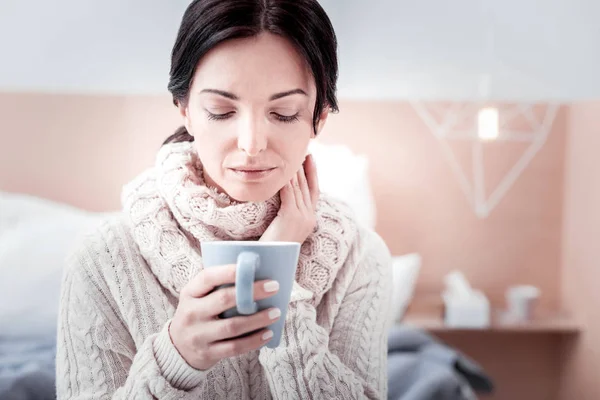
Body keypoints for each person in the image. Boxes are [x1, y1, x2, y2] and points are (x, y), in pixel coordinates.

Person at [56, 0, 393, 398]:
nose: (251, 145)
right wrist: (175, 359)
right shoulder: (102, 260)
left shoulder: (359, 256)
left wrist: (279, 282)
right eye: (220, 110)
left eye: (283, 113)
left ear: (318, 117)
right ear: (185, 109)